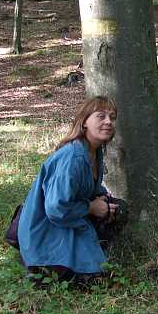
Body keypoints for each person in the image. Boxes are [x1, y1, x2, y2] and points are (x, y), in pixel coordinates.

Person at [17, 96, 128, 286]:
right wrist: (91, 208)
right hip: (47, 232)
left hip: (69, 219)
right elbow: (55, 208)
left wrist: (102, 197)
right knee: (95, 283)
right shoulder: (71, 157)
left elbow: (86, 188)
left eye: (112, 117)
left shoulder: (94, 151)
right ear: (84, 122)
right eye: (100, 116)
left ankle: (91, 255)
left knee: (118, 208)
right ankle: (44, 267)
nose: (108, 121)